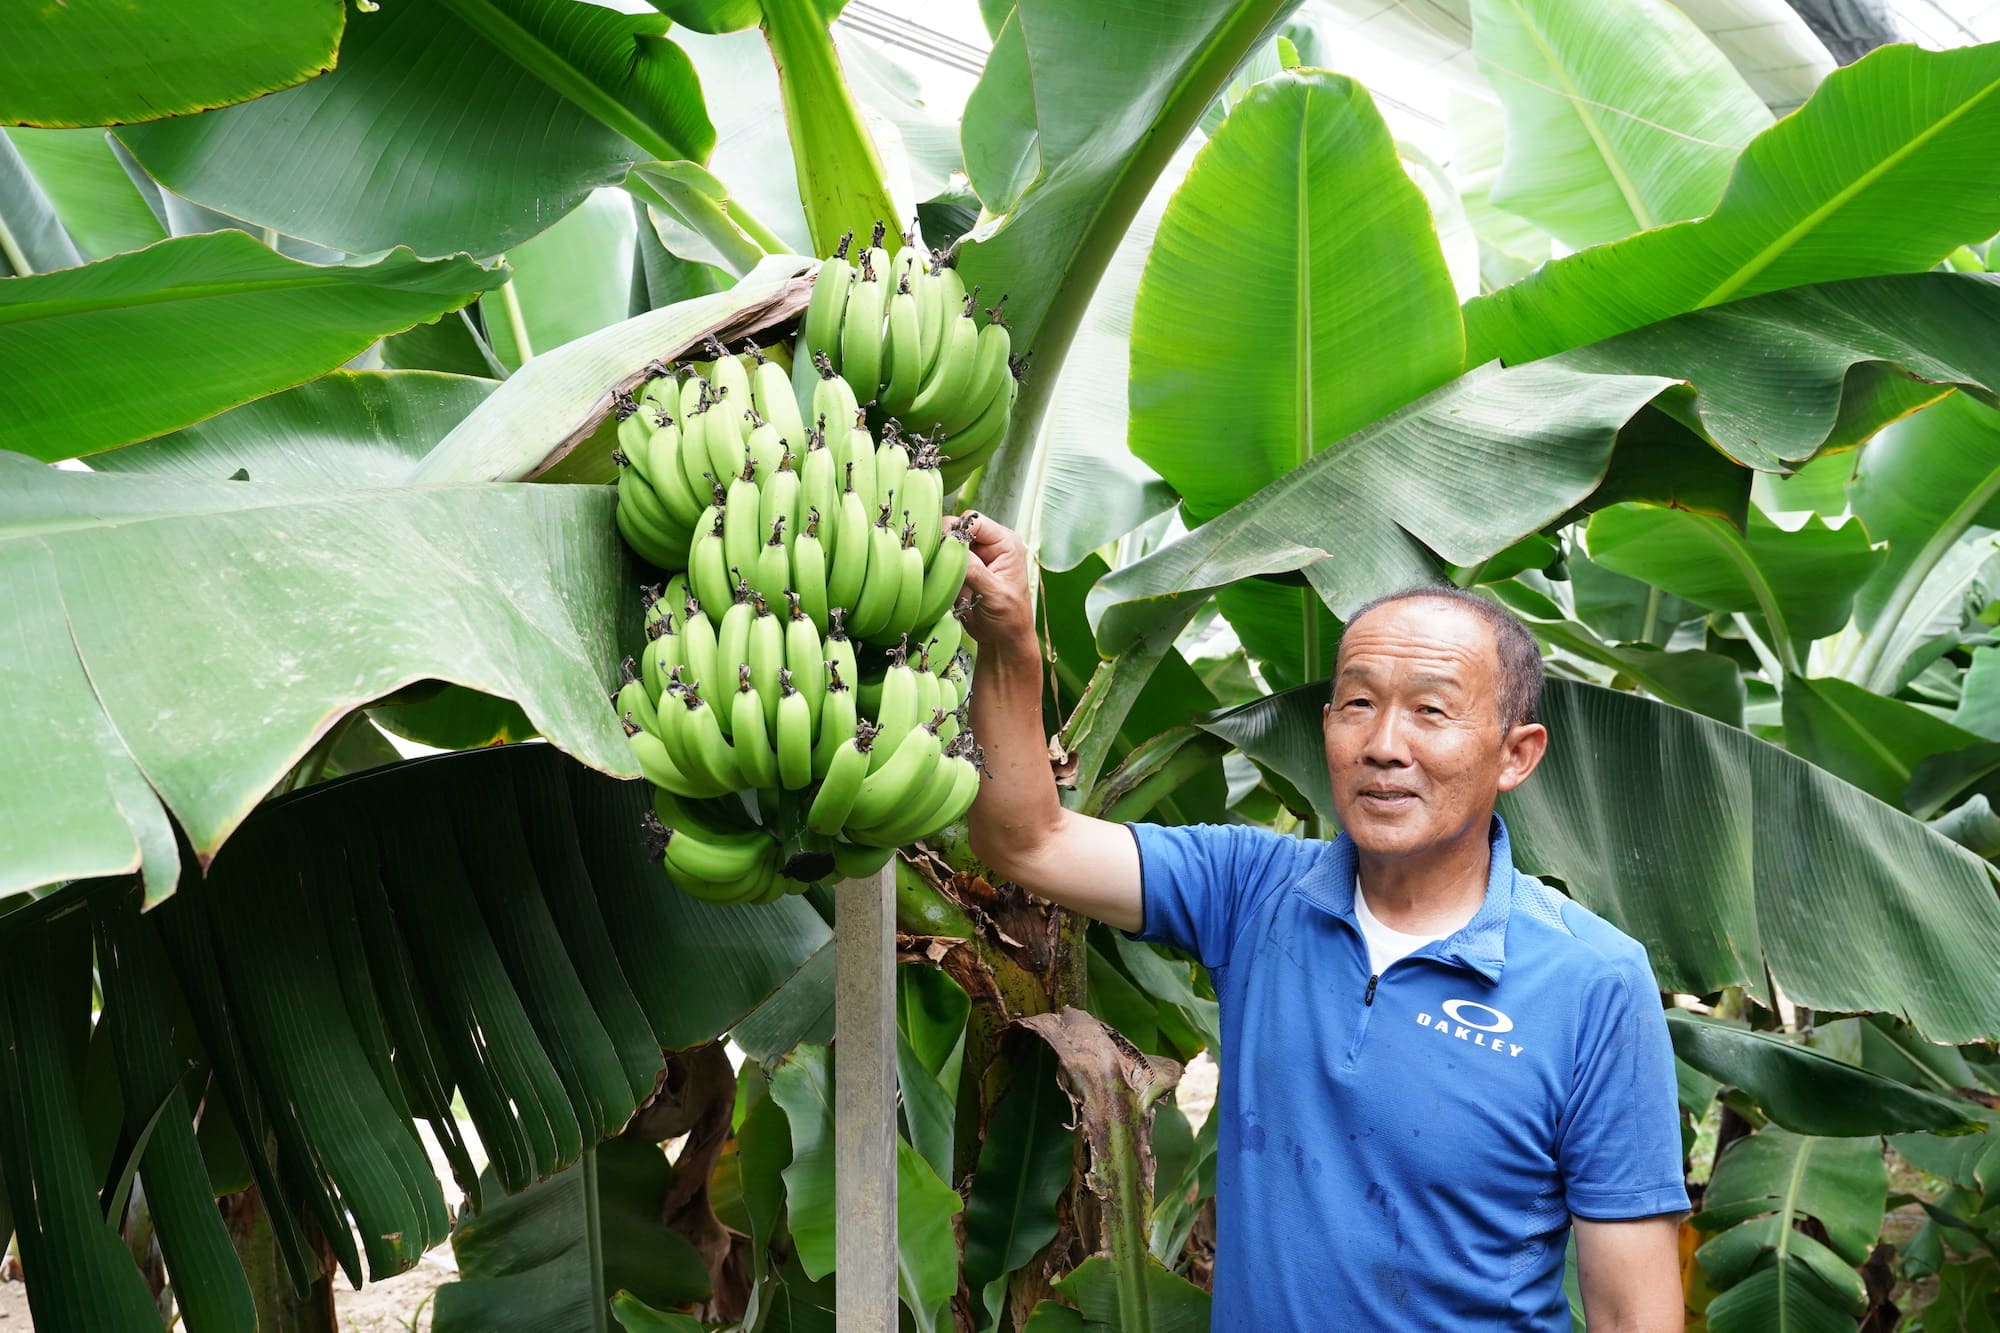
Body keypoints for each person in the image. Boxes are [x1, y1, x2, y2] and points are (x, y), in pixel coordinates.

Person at [953, 511, 1689, 1331]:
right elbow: (1026, 838)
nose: (1383, 744)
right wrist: (1011, 644)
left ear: (1517, 753)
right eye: (1358, 703)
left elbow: (1633, 1313)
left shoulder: (1594, 981)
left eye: (1431, 712)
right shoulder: (1251, 890)